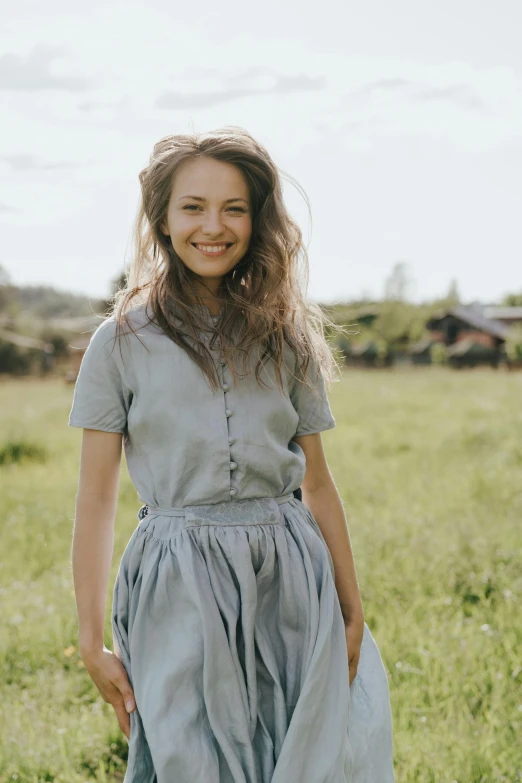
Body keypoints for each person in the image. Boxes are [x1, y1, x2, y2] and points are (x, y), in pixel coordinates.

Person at [69, 126, 394, 783]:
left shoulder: (287, 336)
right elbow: (97, 499)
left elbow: (318, 485)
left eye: (234, 208)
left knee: (308, 757)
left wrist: (352, 610)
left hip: (292, 578)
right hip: (178, 583)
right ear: (162, 217)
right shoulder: (119, 342)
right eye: (193, 206)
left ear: (257, 218)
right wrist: (89, 638)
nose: (212, 226)